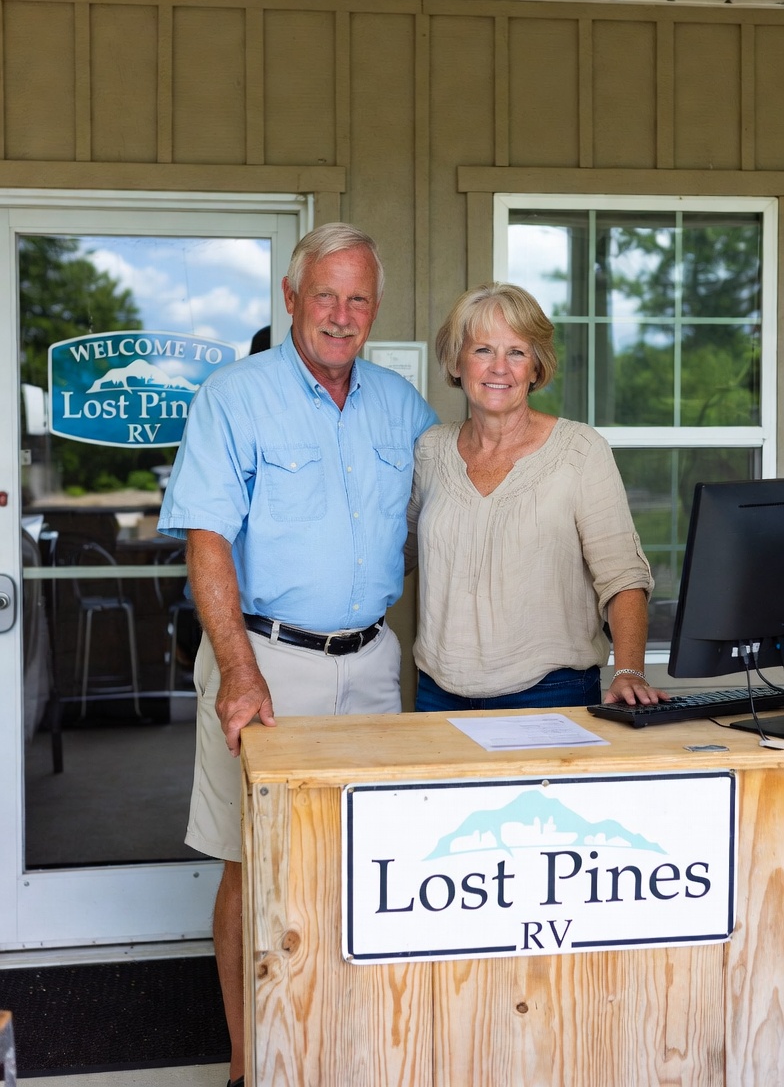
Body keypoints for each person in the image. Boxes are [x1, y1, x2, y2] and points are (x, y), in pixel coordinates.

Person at [158, 223, 438, 1087]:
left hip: (372, 662)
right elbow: (207, 541)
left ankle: (345, 1051)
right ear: (290, 299)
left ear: (375, 309)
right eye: (326, 295)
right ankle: (252, 1066)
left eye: (359, 299)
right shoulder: (235, 396)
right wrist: (239, 670)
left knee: (367, 865)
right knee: (255, 864)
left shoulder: (403, 408)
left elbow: (452, 517)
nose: (342, 314)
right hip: (268, 662)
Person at [406, 281, 670, 713]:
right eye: (482, 350)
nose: (499, 368)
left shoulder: (580, 451)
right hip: (439, 695)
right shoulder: (431, 450)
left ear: (536, 367)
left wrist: (630, 670)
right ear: (456, 362)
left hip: (552, 693)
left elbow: (623, 577)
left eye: (516, 352)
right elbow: (396, 554)